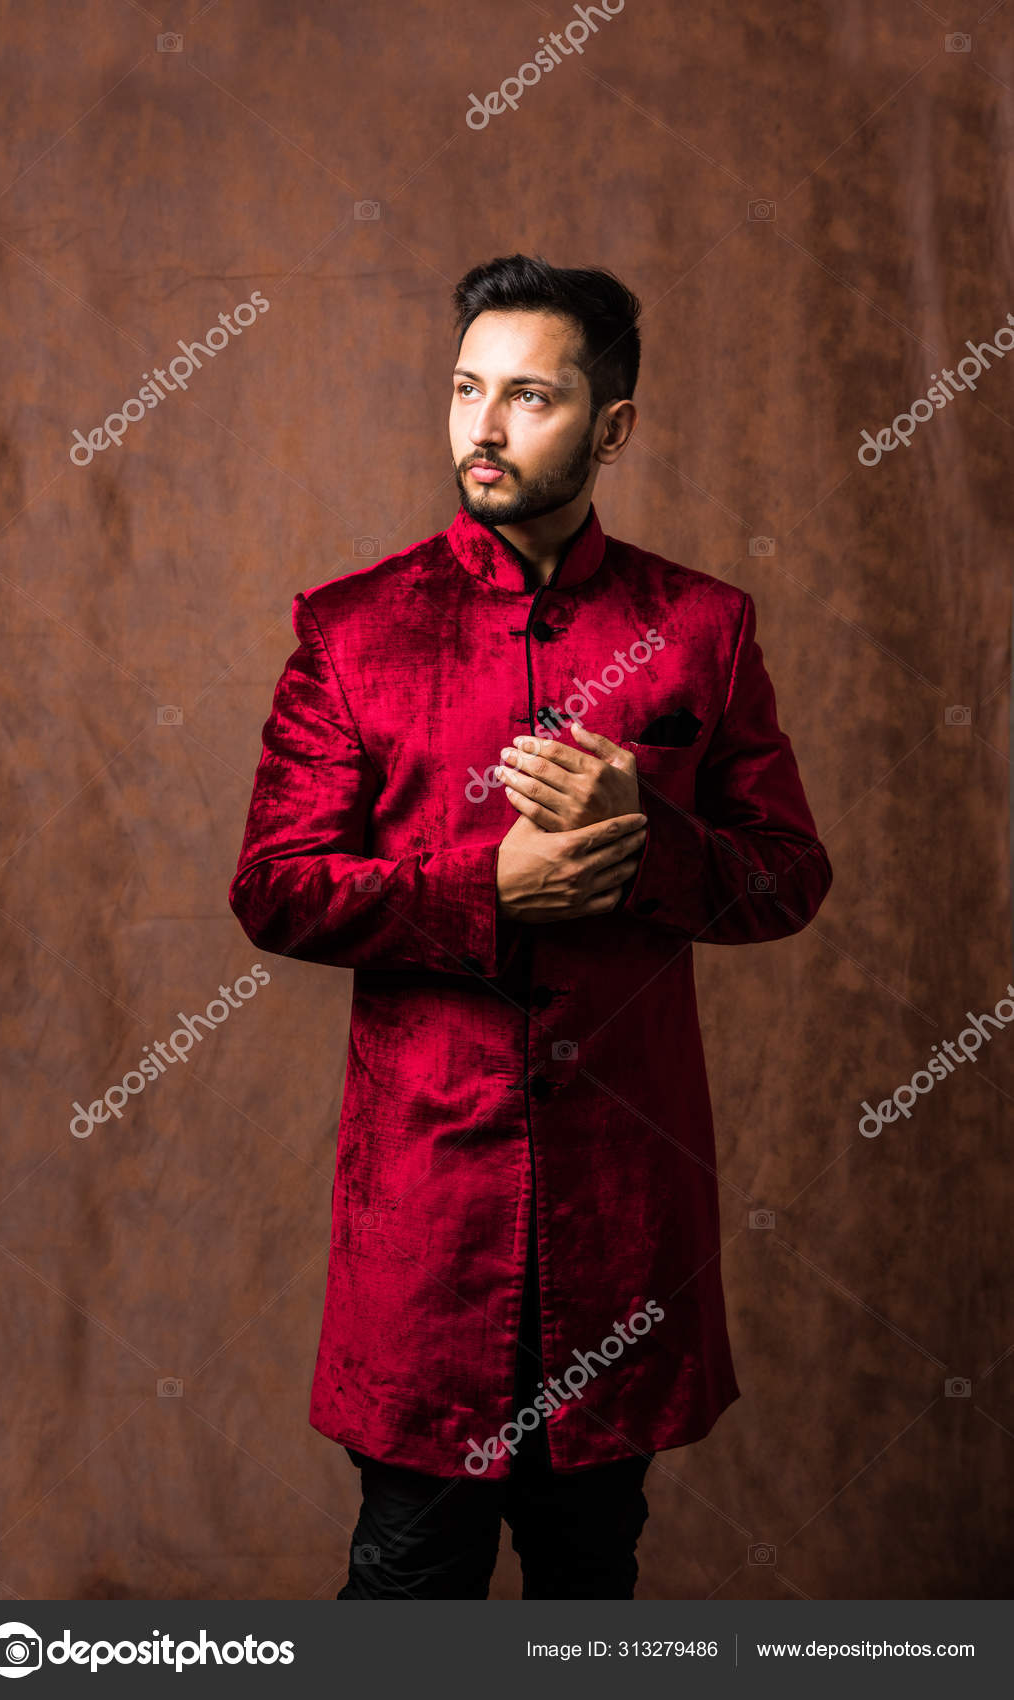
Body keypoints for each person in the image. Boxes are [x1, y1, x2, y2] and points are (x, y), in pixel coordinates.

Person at [229, 253, 833, 1599]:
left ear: (611, 426)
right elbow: (275, 885)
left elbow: (791, 876)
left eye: (529, 397)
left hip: (623, 1214)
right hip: (427, 1223)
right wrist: (482, 892)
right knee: (406, 1582)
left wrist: (651, 845)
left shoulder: (702, 630)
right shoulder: (352, 629)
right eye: (464, 391)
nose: (483, 431)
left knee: (589, 1584)